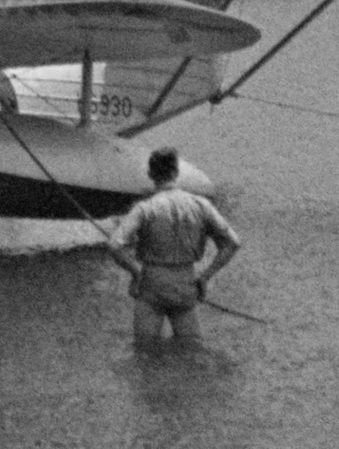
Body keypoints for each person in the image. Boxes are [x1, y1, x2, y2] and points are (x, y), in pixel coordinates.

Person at [102, 148, 240, 346]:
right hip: (186, 284)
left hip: (152, 284)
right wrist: (205, 277)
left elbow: (115, 245)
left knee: (145, 351)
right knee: (191, 350)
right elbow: (233, 243)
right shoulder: (201, 205)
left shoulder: (145, 208)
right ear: (176, 172)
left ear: (150, 175)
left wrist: (135, 272)